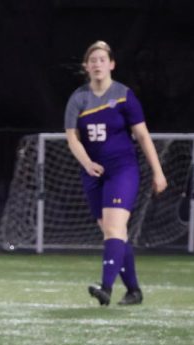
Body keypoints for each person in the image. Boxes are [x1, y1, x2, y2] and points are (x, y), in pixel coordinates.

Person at [64, 40, 167, 306]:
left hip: (122, 170)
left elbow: (142, 136)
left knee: (113, 229)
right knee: (115, 233)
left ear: (111, 64)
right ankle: (134, 291)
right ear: (86, 66)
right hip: (93, 173)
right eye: (92, 60)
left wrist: (158, 172)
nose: (97, 64)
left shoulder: (124, 95)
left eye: (102, 59)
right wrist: (87, 163)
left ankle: (106, 288)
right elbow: (72, 138)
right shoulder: (78, 98)